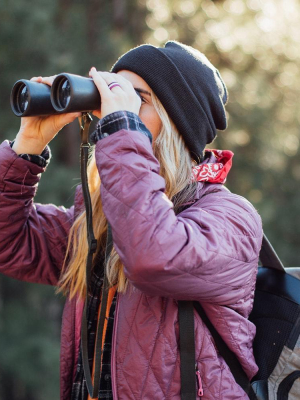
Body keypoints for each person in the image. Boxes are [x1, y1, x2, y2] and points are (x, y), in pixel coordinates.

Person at [0, 41, 263, 399]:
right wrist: (27, 145)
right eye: (111, 95)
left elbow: (153, 256)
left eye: (135, 98)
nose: (114, 108)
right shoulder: (98, 223)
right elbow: (9, 243)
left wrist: (122, 128)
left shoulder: (231, 219)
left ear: (176, 124)